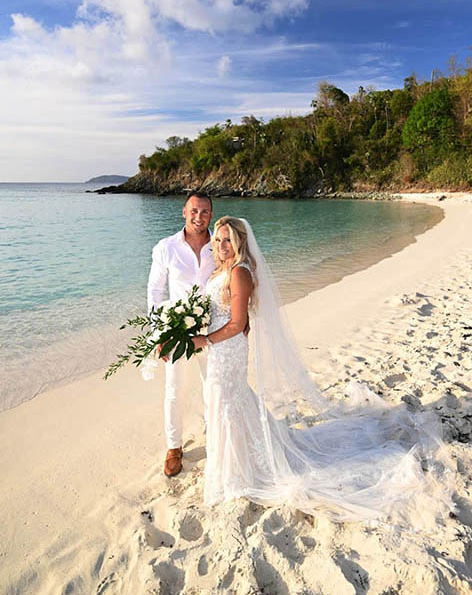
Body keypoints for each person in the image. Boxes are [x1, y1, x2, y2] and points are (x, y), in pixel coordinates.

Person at [192, 216, 453, 524]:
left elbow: (237, 324)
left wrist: (204, 339)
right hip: (221, 347)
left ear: (239, 243)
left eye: (227, 241)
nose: (221, 246)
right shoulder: (222, 270)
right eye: (218, 240)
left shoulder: (238, 273)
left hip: (226, 347)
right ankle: (233, 462)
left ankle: (237, 469)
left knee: (226, 400)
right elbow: (233, 317)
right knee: (227, 401)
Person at [147, 191, 214, 477]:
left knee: (215, 384)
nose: (199, 217)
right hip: (177, 330)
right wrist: (158, 333)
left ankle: (216, 434)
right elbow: (155, 291)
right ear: (183, 213)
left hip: (214, 328)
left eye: (205, 212)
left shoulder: (221, 244)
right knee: (175, 390)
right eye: (194, 211)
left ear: (211, 214)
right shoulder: (166, 248)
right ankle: (174, 447)